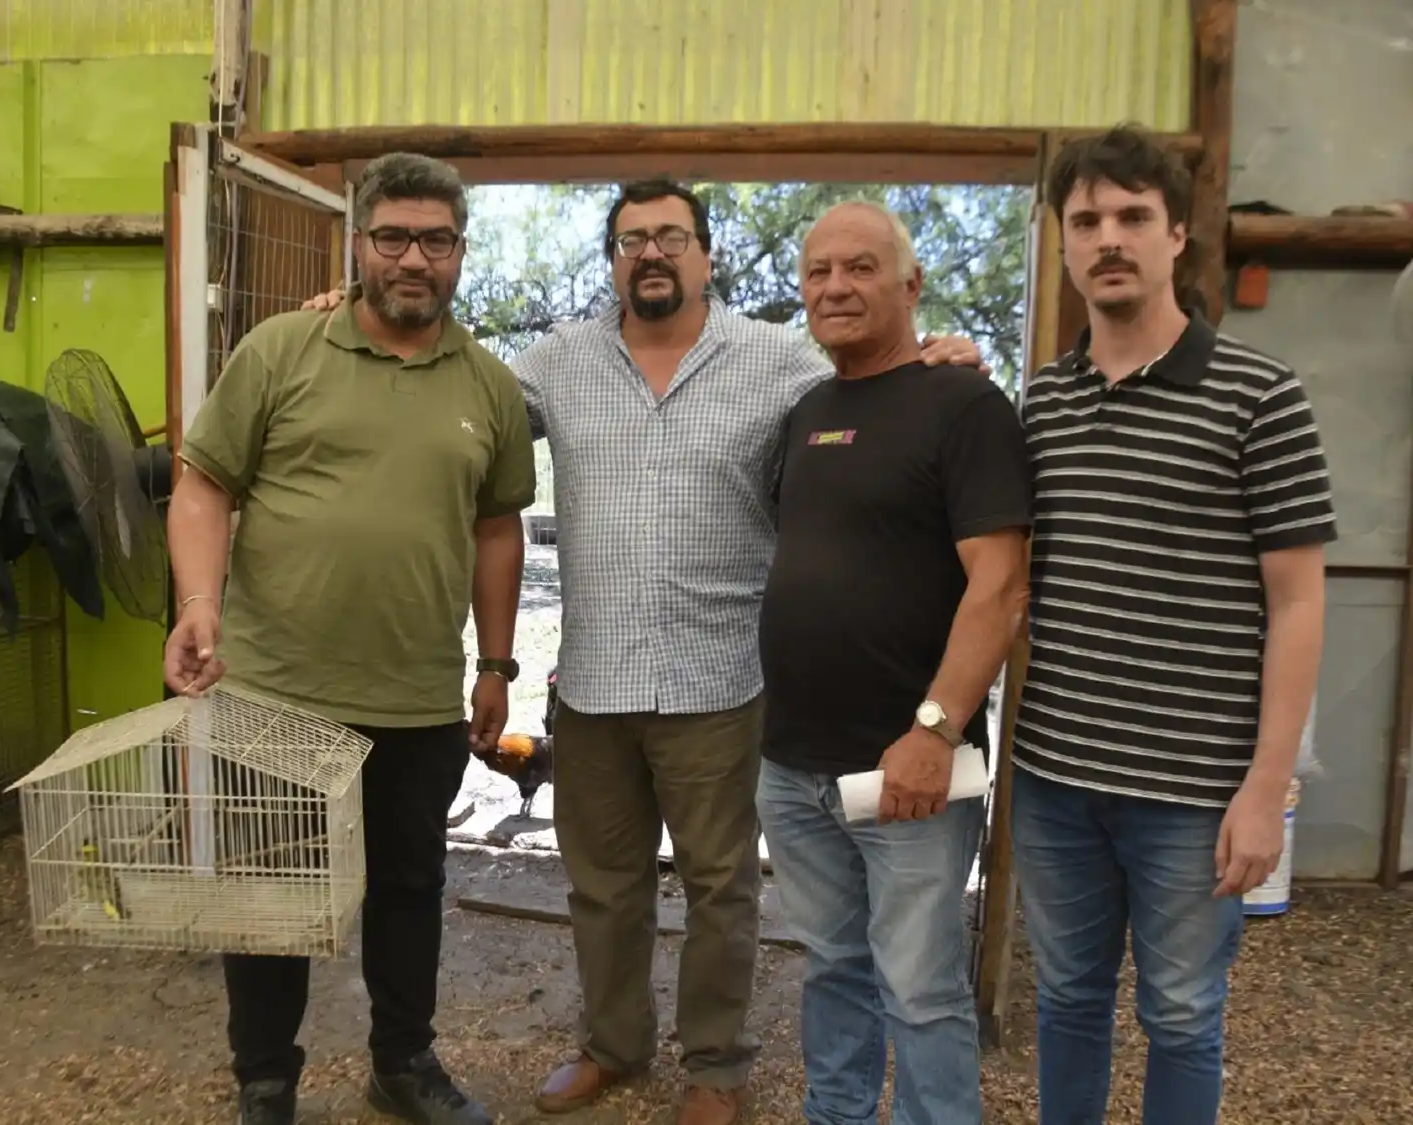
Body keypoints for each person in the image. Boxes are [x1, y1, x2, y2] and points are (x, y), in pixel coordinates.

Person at [303, 179, 988, 1125]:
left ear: (707, 253)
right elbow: (447, 398)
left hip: (724, 681)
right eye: (631, 241)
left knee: (722, 891)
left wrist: (942, 357)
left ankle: (716, 1066)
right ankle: (613, 1046)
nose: (651, 253)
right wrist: (345, 331)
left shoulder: (780, 364)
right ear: (614, 261)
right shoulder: (552, 366)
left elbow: (876, 388)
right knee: (603, 887)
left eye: (671, 236)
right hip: (593, 684)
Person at [164, 152, 535, 1125]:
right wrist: (199, 600)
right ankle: (266, 1081)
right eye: (395, 237)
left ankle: (402, 1063)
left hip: (414, 696)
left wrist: (495, 664)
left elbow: (499, 529)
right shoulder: (284, 351)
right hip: (277, 687)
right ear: (359, 243)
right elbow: (204, 484)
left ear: (461, 252)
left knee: (410, 890)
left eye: (437, 240)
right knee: (270, 898)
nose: (416, 258)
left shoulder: (490, 387)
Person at [1011, 125, 1337, 1125]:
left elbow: (1299, 602)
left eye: (1133, 218)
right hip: (1056, 779)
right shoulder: (1042, 405)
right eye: (1087, 221)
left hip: (1194, 795)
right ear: (1063, 246)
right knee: (1067, 1001)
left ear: (1177, 236)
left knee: (1185, 1013)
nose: (1110, 238)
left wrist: (1265, 788)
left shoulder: (1260, 397)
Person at [753, 200, 1031, 1125]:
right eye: (820, 271)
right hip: (794, 766)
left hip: (911, 768)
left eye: (861, 267)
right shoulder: (806, 414)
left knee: (921, 989)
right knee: (833, 968)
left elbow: (999, 589)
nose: (837, 286)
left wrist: (935, 730)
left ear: (910, 285)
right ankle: (837, 1114)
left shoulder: (965, 406)